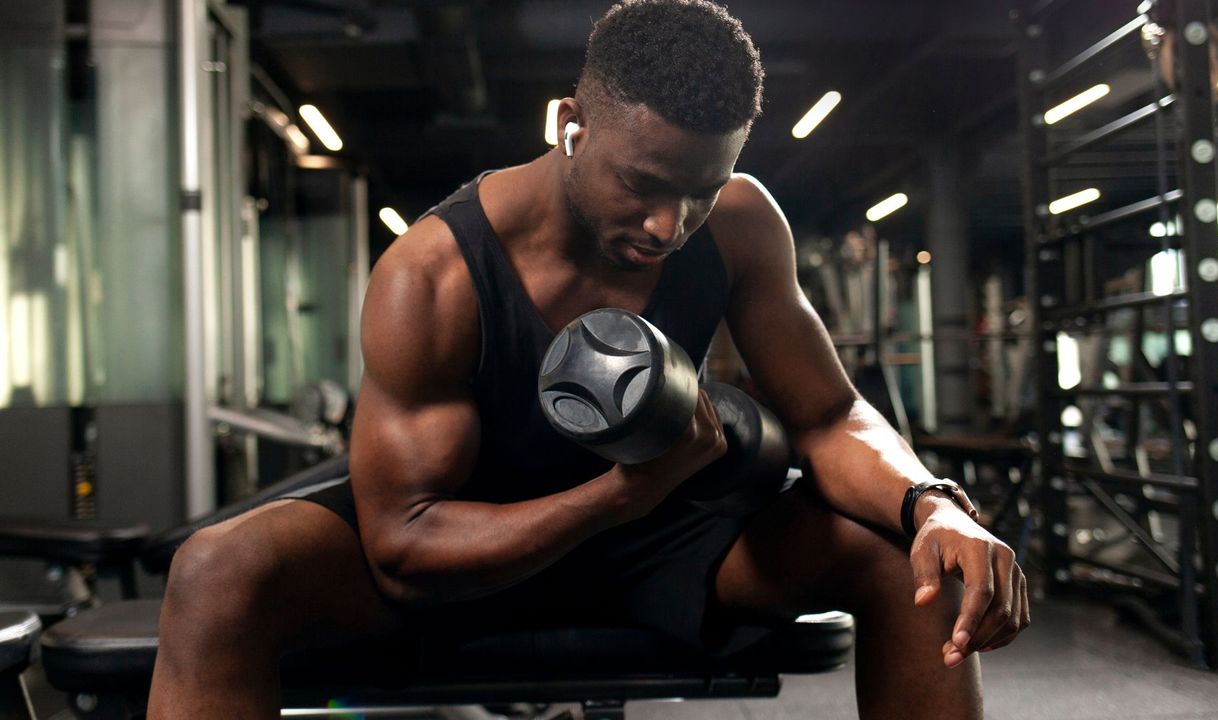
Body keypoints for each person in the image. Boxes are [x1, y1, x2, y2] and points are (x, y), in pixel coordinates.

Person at [149, 1, 1029, 717]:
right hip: (470, 547)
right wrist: (618, 494)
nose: (667, 226)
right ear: (571, 124)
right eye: (642, 184)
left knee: (918, 564)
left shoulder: (739, 224)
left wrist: (933, 509)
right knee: (219, 569)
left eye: (700, 190)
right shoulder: (434, 274)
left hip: (669, 544)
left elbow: (828, 416)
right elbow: (403, 542)